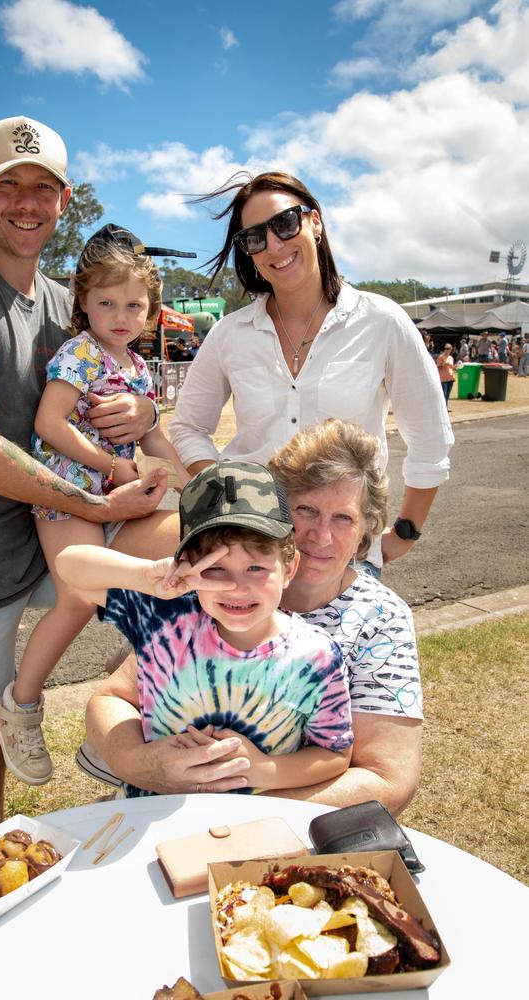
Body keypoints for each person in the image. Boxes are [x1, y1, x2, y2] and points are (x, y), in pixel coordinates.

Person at [0, 116, 172, 840]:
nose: (25, 203)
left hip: (44, 533)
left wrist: (143, 409)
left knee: (185, 575)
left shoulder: (65, 300)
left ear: (63, 197)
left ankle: (122, 720)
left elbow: (108, 375)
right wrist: (98, 490)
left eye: (41, 188)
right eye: (7, 186)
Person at [77, 419, 423, 815]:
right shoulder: (209, 581)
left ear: (365, 529)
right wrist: (140, 766)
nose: (321, 536)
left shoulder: (379, 620)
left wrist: (233, 814)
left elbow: (387, 780)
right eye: (305, 510)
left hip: (279, 832)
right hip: (162, 808)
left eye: (343, 518)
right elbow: (114, 696)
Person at [169, 171, 453, 575]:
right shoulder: (229, 334)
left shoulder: (381, 321)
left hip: (341, 556)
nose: (274, 245)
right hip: (250, 554)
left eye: (285, 224)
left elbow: (430, 438)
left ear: (314, 222)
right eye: (254, 238)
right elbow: (187, 427)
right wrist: (225, 489)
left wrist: (405, 532)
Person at [0, 224, 191, 786]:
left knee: (192, 554)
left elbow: (153, 440)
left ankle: (133, 667)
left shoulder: (138, 369)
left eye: (134, 305)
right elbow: (48, 424)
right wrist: (109, 468)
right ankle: (21, 705)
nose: (120, 315)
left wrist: (187, 476)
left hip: (121, 498)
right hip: (71, 495)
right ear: (83, 303)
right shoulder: (79, 353)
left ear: (150, 311)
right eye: (106, 303)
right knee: (79, 597)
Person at [59, 460, 353, 797]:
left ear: (289, 567)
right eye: (215, 569)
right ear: (187, 565)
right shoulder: (165, 618)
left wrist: (261, 770)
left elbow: (334, 753)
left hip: (250, 831)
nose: (236, 587)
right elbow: (69, 566)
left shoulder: (317, 657)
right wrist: (146, 576)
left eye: (256, 567)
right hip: (150, 818)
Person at [435, 341, 456, 408]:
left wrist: (455, 367)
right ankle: (444, 408)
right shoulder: (441, 357)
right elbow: (437, 366)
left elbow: (452, 367)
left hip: (450, 377)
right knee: (444, 394)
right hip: (443, 378)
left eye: (449, 349)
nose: (447, 350)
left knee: (448, 394)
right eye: (446, 348)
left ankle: (446, 406)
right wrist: (443, 364)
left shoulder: (451, 358)